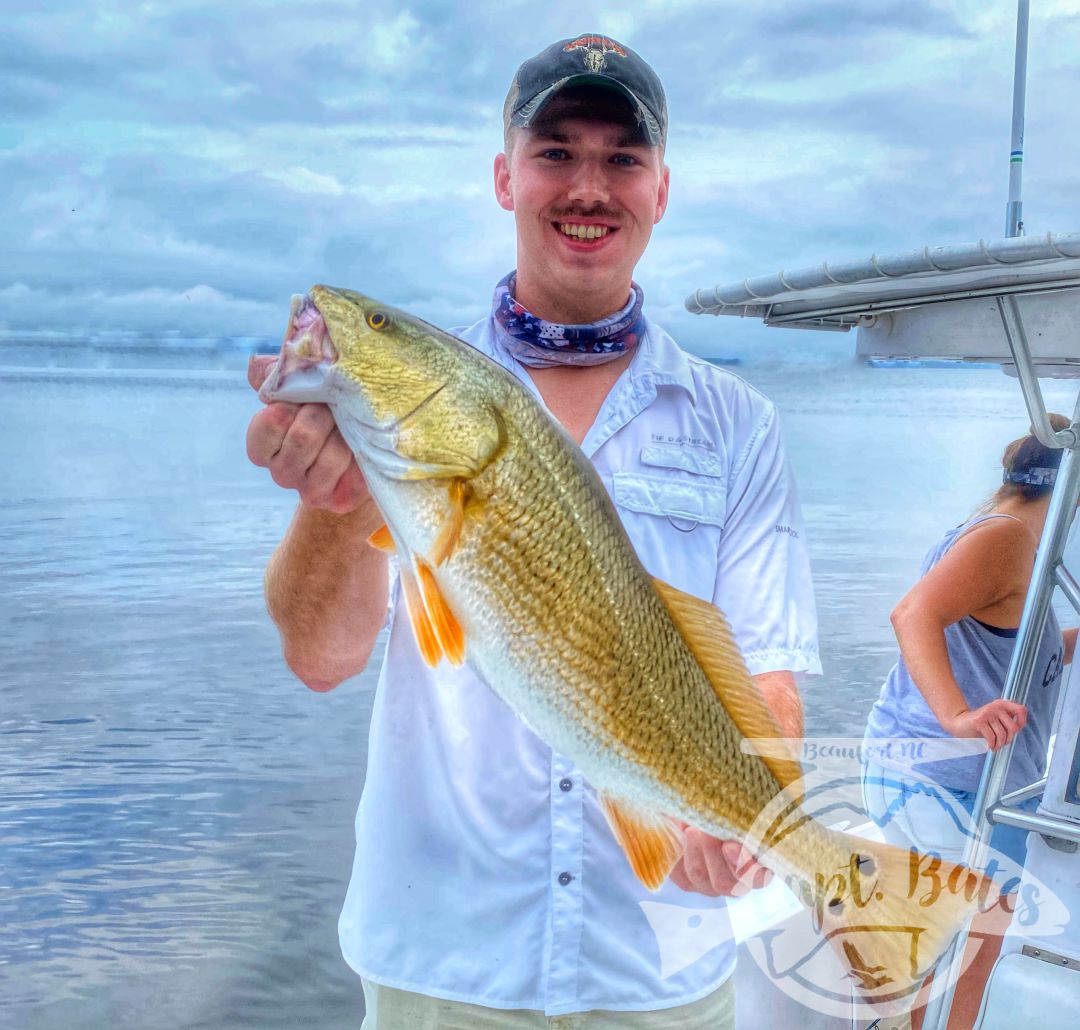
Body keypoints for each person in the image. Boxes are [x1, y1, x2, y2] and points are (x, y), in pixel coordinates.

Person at [247, 34, 820, 1028]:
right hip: (442, 962)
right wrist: (337, 508)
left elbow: (763, 673)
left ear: (661, 189)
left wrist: (750, 822)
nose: (588, 185)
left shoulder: (740, 423)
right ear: (504, 176)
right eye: (556, 151)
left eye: (621, 158)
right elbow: (319, 657)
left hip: (657, 970)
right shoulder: (416, 418)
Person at [862, 415, 1078, 1030]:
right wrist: (957, 715)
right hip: (958, 782)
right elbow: (912, 615)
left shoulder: (999, 534)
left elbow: (998, 647)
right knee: (967, 954)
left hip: (930, 776)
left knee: (937, 948)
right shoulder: (1009, 537)